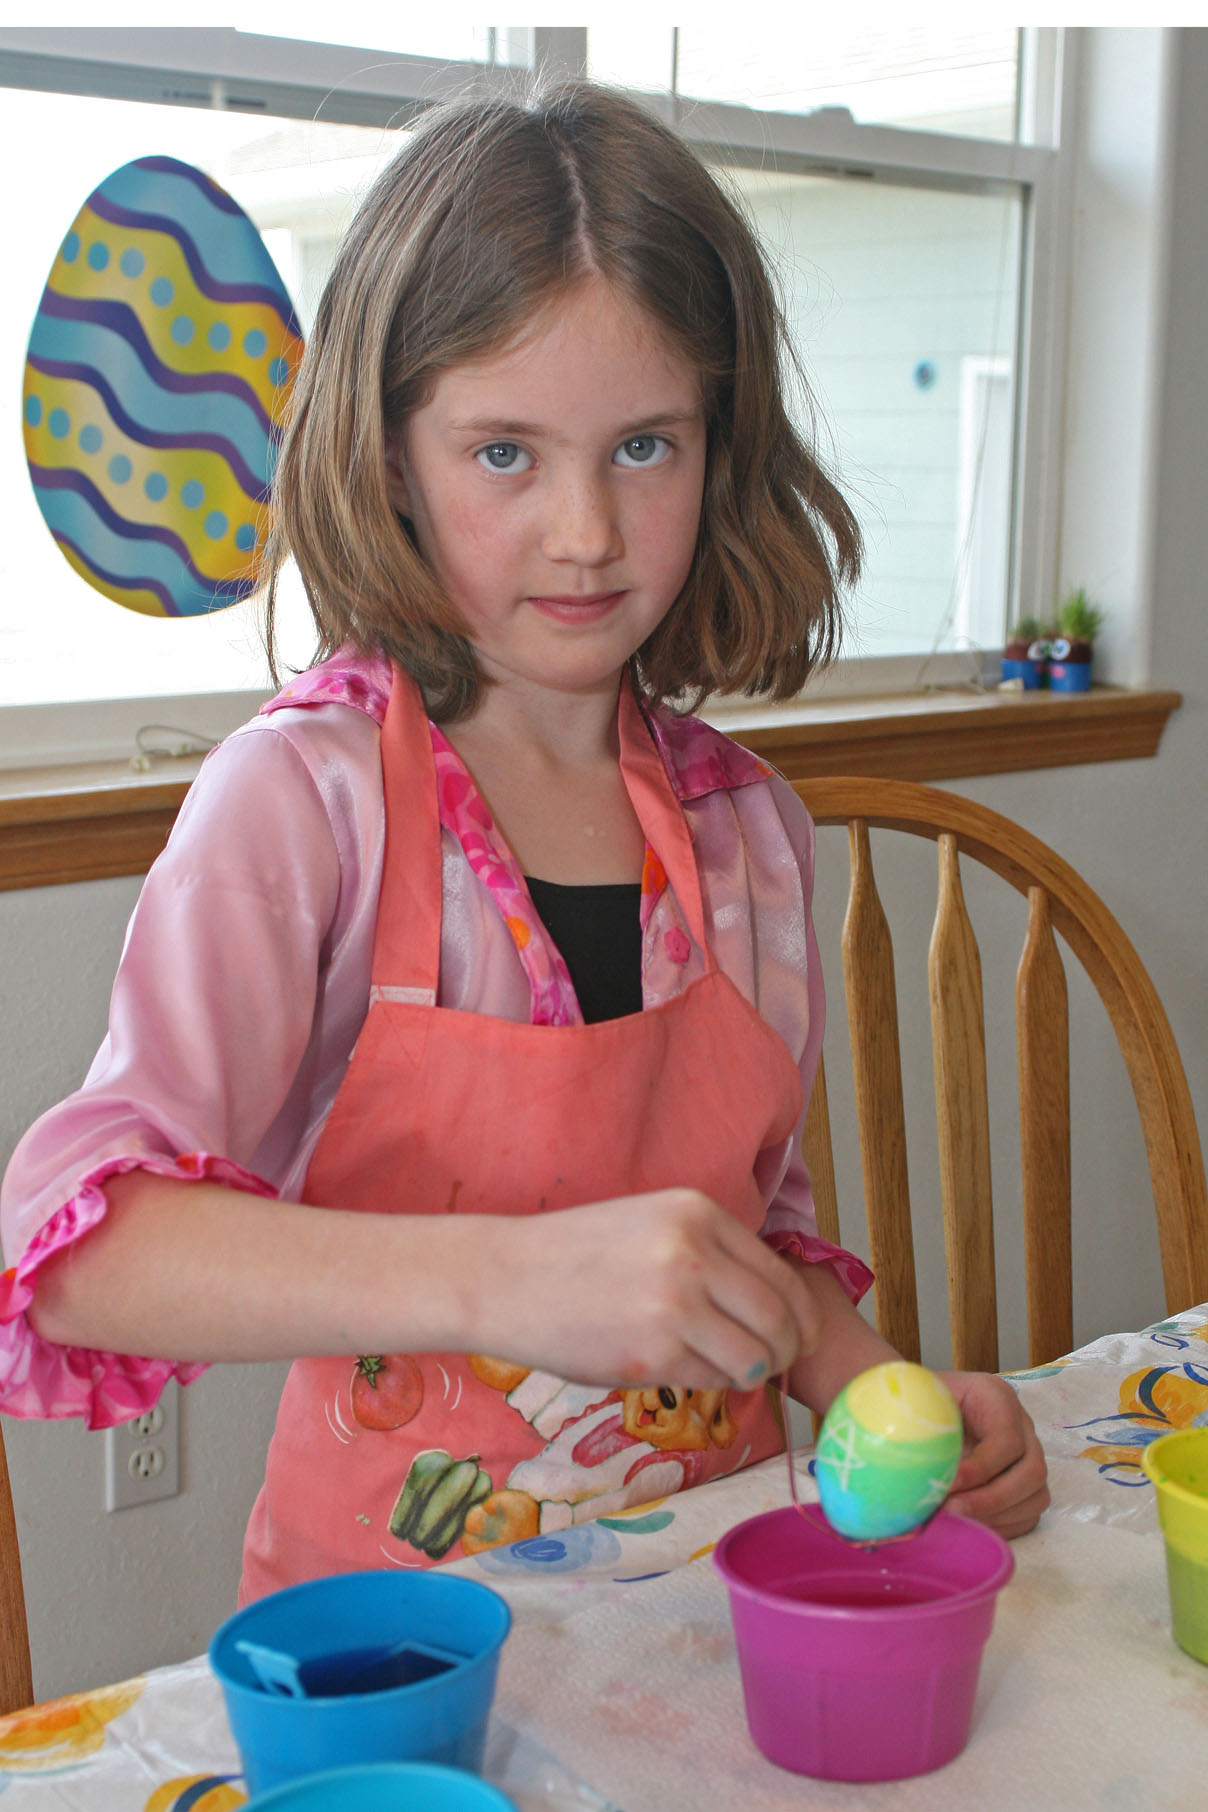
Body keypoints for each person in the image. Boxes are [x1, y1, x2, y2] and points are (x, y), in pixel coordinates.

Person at [0, 81, 1047, 1598]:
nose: (585, 532)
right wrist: (507, 1275)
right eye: (504, 453)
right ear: (392, 456)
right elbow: (77, 1257)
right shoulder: (306, 805)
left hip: (705, 1606)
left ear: (722, 444)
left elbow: (750, 1246)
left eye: (645, 447)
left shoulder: (746, 832)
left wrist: (883, 1387)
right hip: (403, 1645)